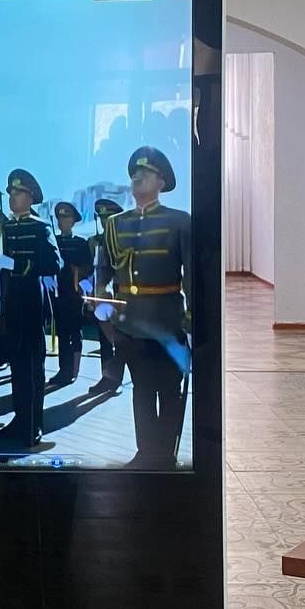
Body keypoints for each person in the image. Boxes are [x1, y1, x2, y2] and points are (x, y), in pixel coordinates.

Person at [95, 147, 191, 466]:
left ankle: (164, 455)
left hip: (167, 322)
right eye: (135, 173)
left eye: (146, 173)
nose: (137, 177)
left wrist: (193, 318)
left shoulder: (179, 222)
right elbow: (103, 272)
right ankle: (146, 453)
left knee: (170, 390)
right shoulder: (115, 224)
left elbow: (192, 276)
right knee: (142, 390)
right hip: (130, 323)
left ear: (161, 182)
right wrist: (103, 304)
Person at [0, 168, 59, 449]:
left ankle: (33, 426)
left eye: (18, 192)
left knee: (32, 367)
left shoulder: (40, 227)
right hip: (11, 303)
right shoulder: (6, 228)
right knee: (17, 367)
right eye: (10, 192)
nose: (12, 197)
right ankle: (20, 419)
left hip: (32, 303)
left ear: (30, 197)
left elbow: (54, 263)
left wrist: (19, 265)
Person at [47, 200, 92, 390]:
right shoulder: (54, 241)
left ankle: (73, 370)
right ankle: (63, 369)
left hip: (74, 293)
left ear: (73, 221)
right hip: (58, 292)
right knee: (62, 333)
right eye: (59, 218)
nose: (61, 221)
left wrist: (75, 272)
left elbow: (88, 268)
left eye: (65, 218)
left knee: (74, 332)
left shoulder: (81, 243)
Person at [86, 195, 125, 397]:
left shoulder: (125, 241)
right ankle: (108, 378)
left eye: (108, 218)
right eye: (101, 218)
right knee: (105, 340)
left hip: (121, 295)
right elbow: (91, 270)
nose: (104, 222)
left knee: (122, 340)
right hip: (101, 297)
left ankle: (118, 379)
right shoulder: (95, 241)